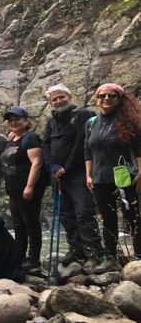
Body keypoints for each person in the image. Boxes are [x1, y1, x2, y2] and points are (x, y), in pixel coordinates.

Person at [42, 83, 103, 266]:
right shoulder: (52, 120)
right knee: (65, 214)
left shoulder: (83, 115)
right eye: (55, 99)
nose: (59, 101)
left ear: (70, 96)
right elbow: (45, 145)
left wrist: (66, 167)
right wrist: (52, 165)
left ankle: (93, 252)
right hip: (58, 176)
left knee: (84, 212)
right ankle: (75, 250)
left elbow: (81, 144)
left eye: (62, 97)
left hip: (77, 173)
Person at [85, 83, 141, 273]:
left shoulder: (130, 121)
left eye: (111, 96)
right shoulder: (91, 122)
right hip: (100, 178)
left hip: (126, 176)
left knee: (132, 217)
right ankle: (110, 256)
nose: (106, 99)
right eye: (102, 96)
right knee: (108, 218)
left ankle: (138, 256)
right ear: (96, 98)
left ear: (120, 99)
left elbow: (139, 149)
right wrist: (88, 175)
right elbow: (88, 151)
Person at [1, 107, 45, 270]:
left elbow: (37, 162)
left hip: (27, 188)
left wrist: (30, 186)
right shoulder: (12, 139)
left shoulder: (31, 138)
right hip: (13, 189)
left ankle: (34, 259)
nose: (14, 122)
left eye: (17, 119)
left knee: (31, 223)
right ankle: (20, 256)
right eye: (10, 120)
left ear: (26, 121)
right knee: (18, 224)